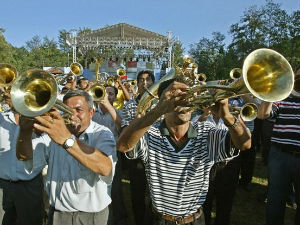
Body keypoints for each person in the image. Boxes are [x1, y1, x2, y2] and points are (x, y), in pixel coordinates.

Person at [117, 79, 251, 225]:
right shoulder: (150, 133)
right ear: (162, 102)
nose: (184, 102)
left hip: (194, 219)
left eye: (188, 97)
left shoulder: (206, 132)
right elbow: (123, 145)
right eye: (176, 97)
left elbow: (245, 144)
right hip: (158, 220)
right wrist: (157, 111)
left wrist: (228, 116)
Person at [16, 89, 117, 225]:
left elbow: (105, 168)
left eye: (79, 110)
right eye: (67, 110)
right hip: (58, 214)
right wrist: (25, 131)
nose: (72, 115)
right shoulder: (54, 134)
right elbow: (25, 157)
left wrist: (67, 140)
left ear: (91, 113)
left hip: (91, 217)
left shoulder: (102, 134)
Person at [258, 67, 300, 225]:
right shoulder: (282, 98)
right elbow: (263, 114)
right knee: (275, 200)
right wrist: (271, 92)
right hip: (280, 156)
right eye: (298, 77)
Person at [0, 89, 44, 225]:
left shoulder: (41, 119)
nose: (8, 95)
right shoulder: (2, 117)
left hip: (30, 185)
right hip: (3, 185)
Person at [121, 70, 155, 225]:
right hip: (137, 157)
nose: (145, 82)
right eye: (141, 80)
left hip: (157, 154)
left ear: (154, 83)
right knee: (137, 194)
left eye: (148, 80)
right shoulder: (129, 105)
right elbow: (126, 130)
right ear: (137, 83)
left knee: (157, 193)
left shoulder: (160, 104)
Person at [92, 85, 128, 225]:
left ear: (115, 97)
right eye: (104, 93)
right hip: (93, 154)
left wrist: (108, 105)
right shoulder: (92, 112)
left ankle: (119, 219)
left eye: (111, 94)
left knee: (115, 190)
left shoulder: (119, 112)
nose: (106, 96)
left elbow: (121, 127)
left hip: (112, 156)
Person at [199, 108, 240, 225]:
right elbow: (193, 131)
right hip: (207, 165)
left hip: (228, 164)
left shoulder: (231, 118)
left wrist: (235, 120)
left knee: (225, 201)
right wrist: (204, 116)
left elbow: (241, 140)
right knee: (205, 200)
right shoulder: (200, 118)